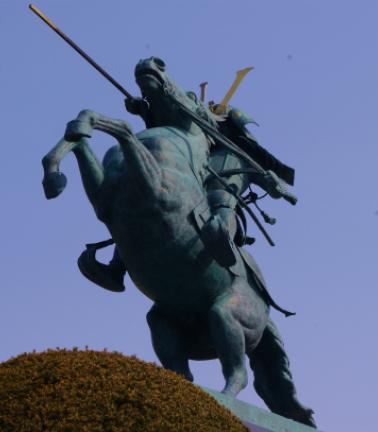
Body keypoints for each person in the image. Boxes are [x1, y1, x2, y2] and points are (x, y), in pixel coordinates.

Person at [77, 92, 296, 292]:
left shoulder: (246, 157)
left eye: (223, 124)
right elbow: (167, 129)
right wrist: (145, 110)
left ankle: (222, 241)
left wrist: (275, 185)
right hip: (192, 194)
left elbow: (275, 189)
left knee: (220, 197)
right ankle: (117, 266)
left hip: (219, 201)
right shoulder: (202, 149)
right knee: (142, 200)